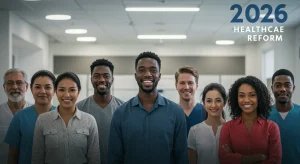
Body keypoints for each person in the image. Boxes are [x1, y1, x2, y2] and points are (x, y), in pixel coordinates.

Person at [108, 51, 188, 164]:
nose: (147, 74)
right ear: (135, 76)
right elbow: (114, 157)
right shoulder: (120, 113)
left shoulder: (176, 112)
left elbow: (181, 157)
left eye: (153, 70)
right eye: (141, 70)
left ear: (159, 76)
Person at [31, 72, 100, 164]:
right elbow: (37, 158)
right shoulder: (42, 120)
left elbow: (94, 158)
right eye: (62, 90)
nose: (67, 95)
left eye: (72, 90)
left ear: (78, 92)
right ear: (55, 91)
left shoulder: (89, 120)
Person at [219, 76, 282, 164]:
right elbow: (224, 159)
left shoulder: (271, 127)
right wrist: (257, 158)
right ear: (236, 98)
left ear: (259, 97)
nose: (246, 100)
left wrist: (237, 158)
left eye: (252, 95)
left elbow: (275, 160)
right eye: (241, 95)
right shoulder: (227, 128)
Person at [77, 59, 124, 164]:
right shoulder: (78, 109)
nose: (101, 79)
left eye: (106, 76)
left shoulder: (123, 109)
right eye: (97, 76)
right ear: (91, 79)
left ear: (112, 79)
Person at [4, 70, 56, 164]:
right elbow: (13, 155)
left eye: (48, 87)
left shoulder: (62, 116)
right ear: (31, 89)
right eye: (37, 87)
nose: (42, 91)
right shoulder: (20, 117)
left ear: (54, 91)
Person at [188, 83, 226, 164]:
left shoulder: (233, 129)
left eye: (218, 100)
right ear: (204, 103)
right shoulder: (194, 131)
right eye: (209, 101)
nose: (213, 105)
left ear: (224, 102)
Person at [0, 68, 32, 163]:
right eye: (9, 83)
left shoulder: (36, 112)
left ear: (26, 86)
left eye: (19, 83)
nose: (14, 87)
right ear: (4, 87)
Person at [268, 69, 300, 164]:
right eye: (278, 85)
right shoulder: (263, 115)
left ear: (293, 88)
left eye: (287, 85)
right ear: (272, 88)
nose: (282, 89)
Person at [175, 66, 206, 135]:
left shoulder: (206, 112)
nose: (186, 87)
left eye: (190, 83)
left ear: (196, 86)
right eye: (182, 83)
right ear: (176, 85)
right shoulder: (171, 113)